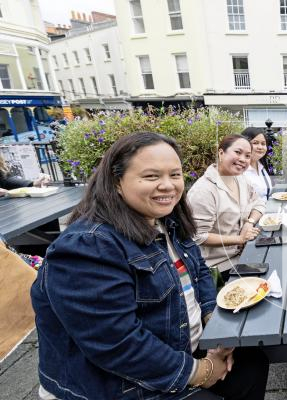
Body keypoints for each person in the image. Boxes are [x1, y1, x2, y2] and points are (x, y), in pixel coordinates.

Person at [30, 132, 269, 400]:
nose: (167, 186)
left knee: (252, 363)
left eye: (175, 175)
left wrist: (216, 329)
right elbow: (117, 344)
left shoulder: (167, 222)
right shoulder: (88, 247)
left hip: (179, 348)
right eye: (152, 176)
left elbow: (200, 272)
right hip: (119, 382)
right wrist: (200, 371)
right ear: (116, 181)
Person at [187, 134, 265, 282]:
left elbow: (259, 202)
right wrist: (239, 239)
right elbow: (198, 236)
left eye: (248, 156)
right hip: (218, 268)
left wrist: (249, 223)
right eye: (237, 152)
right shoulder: (203, 191)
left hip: (244, 254)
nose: (243, 159)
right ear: (221, 153)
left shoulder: (240, 178)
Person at [241, 127, 273, 202]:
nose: (260, 147)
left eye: (263, 144)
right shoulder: (240, 170)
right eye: (255, 143)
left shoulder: (261, 167)